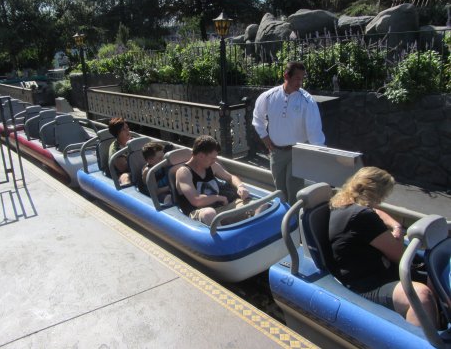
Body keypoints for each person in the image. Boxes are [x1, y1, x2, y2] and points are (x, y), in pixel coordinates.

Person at [329, 166, 439, 327]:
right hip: (367, 283)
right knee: (421, 296)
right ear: (377, 192)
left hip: (372, 270)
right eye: (384, 194)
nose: (382, 199)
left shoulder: (344, 203)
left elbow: (377, 212)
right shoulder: (363, 217)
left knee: (435, 277)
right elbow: (400, 257)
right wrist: (399, 235)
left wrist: (395, 225)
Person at [252, 61, 325, 204]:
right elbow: (257, 117)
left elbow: (314, 131)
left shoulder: (307, 101)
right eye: (298, 78)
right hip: (276, 151)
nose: (301, 82)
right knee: (279, 189)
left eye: (302, 78)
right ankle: (283, 219)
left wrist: (321, 155)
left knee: (294, 189)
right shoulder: (269, 96)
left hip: (297, 151)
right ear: (286, 75)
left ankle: (295, 221)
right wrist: (264, 137)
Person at [176, 135, 267, 225]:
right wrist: (218, 198)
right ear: (201, 156)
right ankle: (224, 237)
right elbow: (196, 201)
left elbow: (231, 177)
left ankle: (252, 232)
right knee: (209, 213)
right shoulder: (184, 172)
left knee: (261, 205)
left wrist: (240, 186)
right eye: (212, 158)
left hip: (222, 207)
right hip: (199, 211)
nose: (214, 161)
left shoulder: (212, 166)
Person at [108, 117, 131, 185]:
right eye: (123, 130)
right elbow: (124, 168)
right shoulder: (115, 150)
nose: (127, 131)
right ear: (117, 133)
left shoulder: (131, 141)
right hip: (123, 175)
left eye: (127, 127)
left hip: (136, 169)